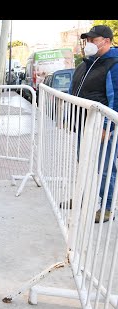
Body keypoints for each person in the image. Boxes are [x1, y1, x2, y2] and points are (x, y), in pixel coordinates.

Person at [68, 25, 118, 223]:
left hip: (102, 127)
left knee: (105, 168)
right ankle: (81, 196)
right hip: (84, 124)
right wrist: (68, 117)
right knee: (84, 164)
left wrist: (109, 126)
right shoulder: (86, 64)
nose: (89, 43)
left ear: (106, 41)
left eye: (93, 39)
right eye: (88, 40)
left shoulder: (113, 64)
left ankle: (106, 207)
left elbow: (115, 98)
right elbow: (75, 92)